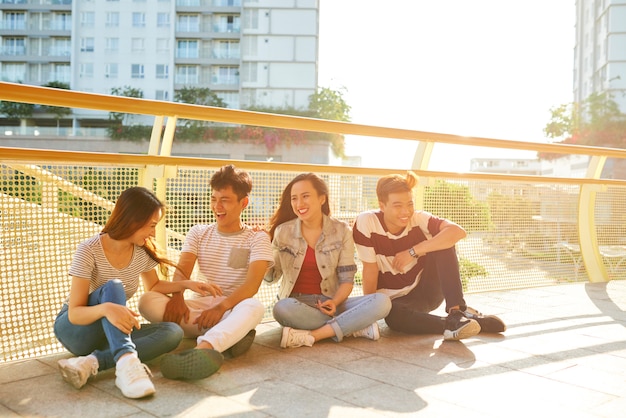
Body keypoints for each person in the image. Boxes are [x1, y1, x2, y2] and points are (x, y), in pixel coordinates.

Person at [54, 186, 214, 399]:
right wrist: (107, 308)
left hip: (109, 332)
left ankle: (92, 362)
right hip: (75, 329)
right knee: (114, 286)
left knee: (172, 332)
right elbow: (74, 313)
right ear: (132, 220)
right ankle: (127, 364)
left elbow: (154, 286)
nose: (153, 233)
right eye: (151, 225)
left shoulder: (140, 252)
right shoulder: (89, 250)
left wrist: (187, 284)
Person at [138, 164, 273, 379]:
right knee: (147, 300)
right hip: (198, 310)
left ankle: (203, 349)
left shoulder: (258, 238)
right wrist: (177, 297)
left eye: (225, 200)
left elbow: (252, 286)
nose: (217, 206)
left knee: (254, 307)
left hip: (232, 307)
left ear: (243, 203)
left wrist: (220, 308)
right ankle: (232, 336)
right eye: (213, 199)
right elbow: (183, 271)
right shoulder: (198, 232)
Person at [353, 171, 506, 341]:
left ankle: (456, 312)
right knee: (394, 319)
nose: (406, 211)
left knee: (443, 241)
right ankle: (461, 324)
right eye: (397, 205)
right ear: (382, 206)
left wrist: (413, 251)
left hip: (426, 290)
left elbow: (457, 232)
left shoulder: (419, 219)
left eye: (409, 204)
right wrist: (368, 313)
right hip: (398, 303)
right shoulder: (366, 222)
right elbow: (370, 269)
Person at [265, 173, 391, 349]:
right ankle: (352, 327)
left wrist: (335, 302)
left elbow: (347, 280)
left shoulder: (342, 230)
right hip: (297, 305)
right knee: (281, 308)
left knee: (382, 302)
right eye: (294, 198)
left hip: (333, 302)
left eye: (305, 196)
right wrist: (263, 249)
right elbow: (271, 278)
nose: (299, 204)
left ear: (322, 198)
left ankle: (315, 335)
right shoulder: (282, 232)